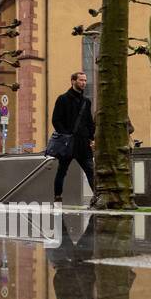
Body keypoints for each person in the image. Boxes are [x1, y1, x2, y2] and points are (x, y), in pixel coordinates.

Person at [50, 71, 95, 203]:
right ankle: (57, 196)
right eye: (81, 80)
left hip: (83, 143)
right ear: (73, 81)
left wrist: (91, 137)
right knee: (62, 171)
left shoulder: (86, 101)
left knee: (91, 171)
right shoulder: (62, 99)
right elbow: (56, 120)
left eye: (85, 80)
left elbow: (89, 121)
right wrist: (65, 135)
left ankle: (97, 197)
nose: (84, 83)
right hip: (68, 143)